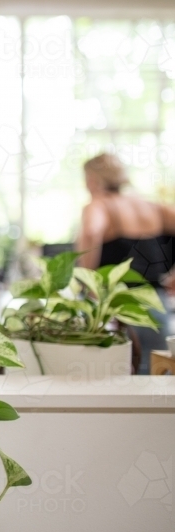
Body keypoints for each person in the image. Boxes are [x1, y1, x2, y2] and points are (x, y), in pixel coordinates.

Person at [76, 153, 175, 373]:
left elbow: (92, 232)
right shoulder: (151, 206)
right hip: (154, 300)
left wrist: (88, 283)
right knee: (156, 369)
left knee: (113, 369)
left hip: (115, 301)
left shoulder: (99, 205)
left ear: (92, 180)